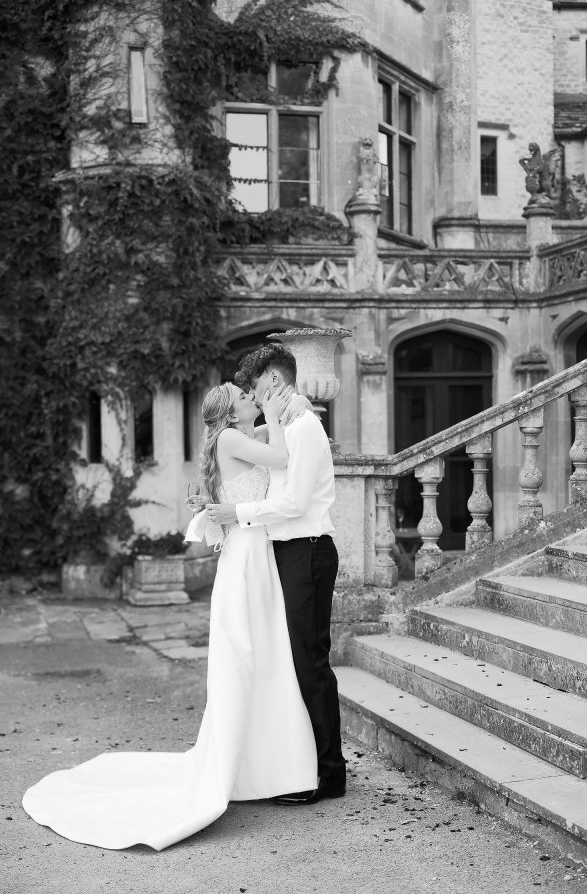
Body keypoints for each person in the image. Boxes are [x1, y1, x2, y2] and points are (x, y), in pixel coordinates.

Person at [22, 381, 318, 851]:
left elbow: (271, 442)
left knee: (265, 656)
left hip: (253, 549)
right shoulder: (230, 438)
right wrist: (280, 420)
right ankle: (256, 768)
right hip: (246, 555)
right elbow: (282, 460)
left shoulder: (240, 436)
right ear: (229, 411)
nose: (252, 401)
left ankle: (263, 766)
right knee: (250, 653)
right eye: (245, 397)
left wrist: (288, 410)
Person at [206, 342, 346, 805]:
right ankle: (301, 763)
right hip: (281, 554)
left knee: (311, 663)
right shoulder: (282, 425)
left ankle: (330, 774)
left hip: (308, 551)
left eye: (254, 384)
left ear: (274, 382)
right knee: (292, 662)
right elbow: (250, 445)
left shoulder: (304, 428)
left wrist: (237, 512)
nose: (249, 391)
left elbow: (294, 503)